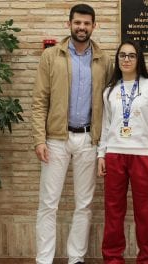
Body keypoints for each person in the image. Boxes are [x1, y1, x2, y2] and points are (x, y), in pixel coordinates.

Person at [31, 3, 113, 264]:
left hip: (89, 140)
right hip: (56, 139)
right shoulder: (51, 56)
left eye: (87, 23)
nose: (82, 27)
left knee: (84, 204)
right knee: (48, 203)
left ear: (94, 26)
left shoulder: (104, 60)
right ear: (69, 24)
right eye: (77, 22)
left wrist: (103, 146)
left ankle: (75, 258)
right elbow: (39, 100)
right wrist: (39, 139)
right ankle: (44, 259)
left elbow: (109, 104)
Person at [97, 39, 148, 264]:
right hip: (114, 154)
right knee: (113, 210)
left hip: (142, 155)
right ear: (117, 60)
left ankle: (147, 257)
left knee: (144, 211)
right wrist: (101, 154)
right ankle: (112, 258)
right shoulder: (110, 90)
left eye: (131, 55)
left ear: (139, 59)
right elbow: (106, 125)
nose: (126, 59)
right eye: (122, 55)